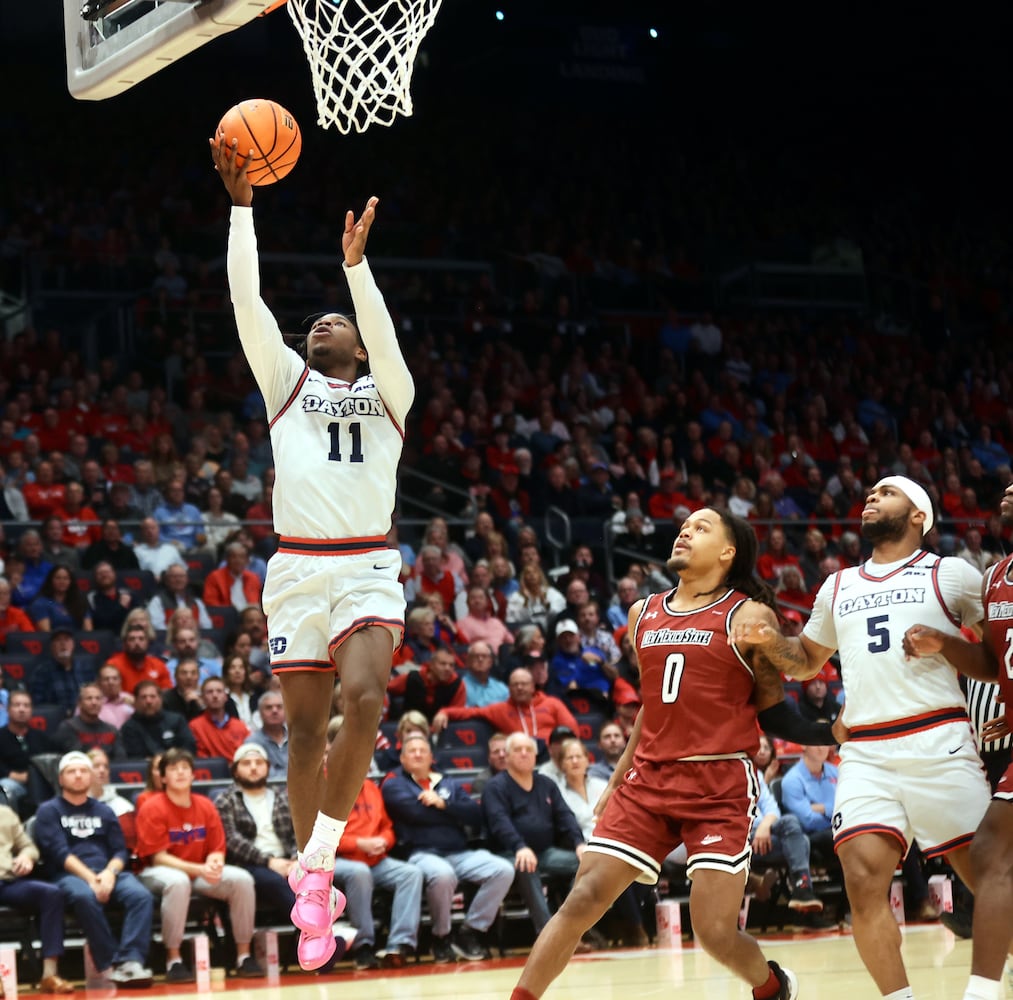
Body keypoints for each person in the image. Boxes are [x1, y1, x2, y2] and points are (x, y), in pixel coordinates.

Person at [211, 137, 414, 972]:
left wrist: (356, 271)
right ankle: (312, 874)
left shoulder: (390, 390)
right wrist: (242, 208)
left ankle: (320, 855)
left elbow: (384, 334)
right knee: (300, 733)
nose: (321, 321)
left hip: (367, 565)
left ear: (359, 347)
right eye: (316, 319)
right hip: (295, 568)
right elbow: (246, 299)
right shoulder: (286, 385)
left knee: (364, 701)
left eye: (339, 321)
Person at [511, 506, 836, 1000]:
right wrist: (619, 777)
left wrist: (829, 730)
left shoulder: (748, 615)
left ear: (728, 552)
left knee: (712, 932)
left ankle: (771, 987)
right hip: (649, 781)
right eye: (684, 525)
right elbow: (652, 707)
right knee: (582, 897)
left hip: (718, 782)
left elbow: (778, 704)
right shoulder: (643, 613)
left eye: (702, 528)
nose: (686, 530)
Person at [734, 476, 992, 1000]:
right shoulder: (837, 585)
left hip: (938, 740)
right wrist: (771, 644)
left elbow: (996, 657)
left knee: (992, 884)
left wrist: (946, 645)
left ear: (919, 515)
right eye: (870, 493)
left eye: (887, 493)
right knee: (862, 881)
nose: (871, 498)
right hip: (866, 754)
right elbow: (806, 661)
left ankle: (991, 981)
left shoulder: (954, 575)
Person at [904, 476, 1013, 1000]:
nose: (1008, 492)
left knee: (991, 851)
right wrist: (945, 643)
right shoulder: (995, 578)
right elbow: (995, 665)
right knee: (991, 853)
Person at [382, 732, 515, 963]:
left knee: (503, 870)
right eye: (411, 751)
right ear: (402, 759)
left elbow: (476, 815)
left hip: (459, 852)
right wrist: (453, 813)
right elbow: (414, 813)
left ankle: (469, 931)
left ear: (431, 757)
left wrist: (443, 803)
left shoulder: (447, 782)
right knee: (443, 875)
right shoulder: (394, 783)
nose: (417, 754)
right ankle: (440, 936)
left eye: (422, 751)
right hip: (421, 853)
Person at [135, 748, 265, 981]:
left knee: (242, 879)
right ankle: (173, 959)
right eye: (173, 769)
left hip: (199, 872)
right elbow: (158, 857)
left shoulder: (205, 805)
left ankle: (244, 956)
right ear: (162, 777)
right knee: (178, 882)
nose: (181, 773)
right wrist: (200, 869)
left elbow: (217, 848)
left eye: (185, 768)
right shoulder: (152, 807)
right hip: (159, 872)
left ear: (194, 775)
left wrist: (215, 864)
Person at [33, 751, 155, 987]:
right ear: (60, 779)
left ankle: (131, 961)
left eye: (83, 771)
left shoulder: (105, 811)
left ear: (91, 777)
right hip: (68, 875)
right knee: (83, 896)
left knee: (141, 896)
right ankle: (110, 964)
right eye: (71, 771)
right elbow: (60, 853)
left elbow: (120, 851)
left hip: (108, 872)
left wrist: (109, 873)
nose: (78, 776)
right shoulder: (49, 810)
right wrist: (91, 878)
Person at [482, 732, 586, 942]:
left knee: (586, 864)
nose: (523, 754)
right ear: (508, 756)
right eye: (518, 750)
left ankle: (570, 926)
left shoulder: (546, 783)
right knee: (526, 865)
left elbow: (565, 815)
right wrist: (519, 846)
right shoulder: (495, 787)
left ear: (535, 755)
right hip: (508, 852)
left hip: (545, 852)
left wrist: (579, 842)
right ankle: (549, 936)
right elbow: (499, 823)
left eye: (528, 749)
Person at [332, 765, 424, 970]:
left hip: (375, 858)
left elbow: (387, 827)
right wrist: (358, 844)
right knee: (359, 872)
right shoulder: (326, 790)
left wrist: (384, 841)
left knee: (411, 873)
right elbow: (322, 836)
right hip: (338, 859)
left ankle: (399, 944)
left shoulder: (371, 788)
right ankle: (362, 945)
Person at [215, 743, 300, 920]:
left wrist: (293, 860)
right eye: (246, 763)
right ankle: (317, 930)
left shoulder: (284, 797)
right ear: (235, 770)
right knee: (274, 881)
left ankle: (312, 935)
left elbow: (298, 833)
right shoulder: (226, 800)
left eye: (259, 763)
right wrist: (269, 861)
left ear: (268, 768)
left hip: (287, 860)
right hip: (249, 864)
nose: (253, 767)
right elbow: (231, 840)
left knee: (312, 877)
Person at [0, 803, 75, 994]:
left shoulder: (5, 813)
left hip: (8, 880)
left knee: (51, 894)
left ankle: (49, 975)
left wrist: (26, 857)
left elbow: (28, 846)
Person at [432, 667, 579, 747]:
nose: (520, 688)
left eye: (524, 684)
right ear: (509, 688)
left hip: (550, 756)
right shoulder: (500, 709)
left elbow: (572, 731)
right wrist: (445, 712)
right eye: (515, 684)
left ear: (533, 687)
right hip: (519, 756)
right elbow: (471, 712)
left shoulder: (552, 703)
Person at [29, 627, 97, 718]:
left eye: (67, 639)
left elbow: (95, 695)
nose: (63, 644)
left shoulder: (86, 669)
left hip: (84, 719)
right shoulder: (42, 672)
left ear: (73, 644)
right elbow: (37, 704)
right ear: (52, 646)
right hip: (55, 721)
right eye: (58, 640)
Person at [121, 681, 197, 758]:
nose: (148, 701)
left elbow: (189, 749)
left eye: (153, 696)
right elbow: (136, 758)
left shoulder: (177, 720)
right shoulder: (129, 728)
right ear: (136, 701)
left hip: (177, 766)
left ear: (161, 699)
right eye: (143, 697)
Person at [53, 683, 125, 758]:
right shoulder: (68, 727)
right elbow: (77, 757)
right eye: (89, 698)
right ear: (79, 703)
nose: (94, 702)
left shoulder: (112, 730)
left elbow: (120, 759)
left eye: (98, 698)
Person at [104, 618, 173, 693]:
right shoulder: (113, 665)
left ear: (147, 643)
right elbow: (107, 693)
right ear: (124, 644)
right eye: (132, 639)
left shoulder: (158, 665)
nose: (137, 643)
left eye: (141, 639)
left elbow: (167, 693)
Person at [189, 677, 250, 759]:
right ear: (202, 698)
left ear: (226, 697)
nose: (215, 695)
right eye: (209, 692)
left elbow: (248, 753)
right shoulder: (195, 726)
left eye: (219, 691)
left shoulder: (240, 726)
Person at [461, 640, 509, 707]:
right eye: (476, 656)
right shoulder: (459, 687)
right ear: (468, 661)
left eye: (484, 656)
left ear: (491, 662)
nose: (480, 659)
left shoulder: (502, 688)